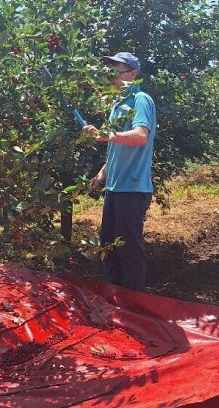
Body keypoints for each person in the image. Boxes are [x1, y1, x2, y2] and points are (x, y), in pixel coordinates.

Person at [82, 51, 156, 291]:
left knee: (128, 250)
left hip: (132, 188)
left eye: (117, 70)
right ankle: (113, 299)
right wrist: (103, 174)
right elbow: (117, 146)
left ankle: (134, 306)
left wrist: (105, 135)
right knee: (109, 246)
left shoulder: (140, 99)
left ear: (132, 74)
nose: (111, 75)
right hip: (114, 187)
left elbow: (140, 136)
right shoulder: (117, 104)